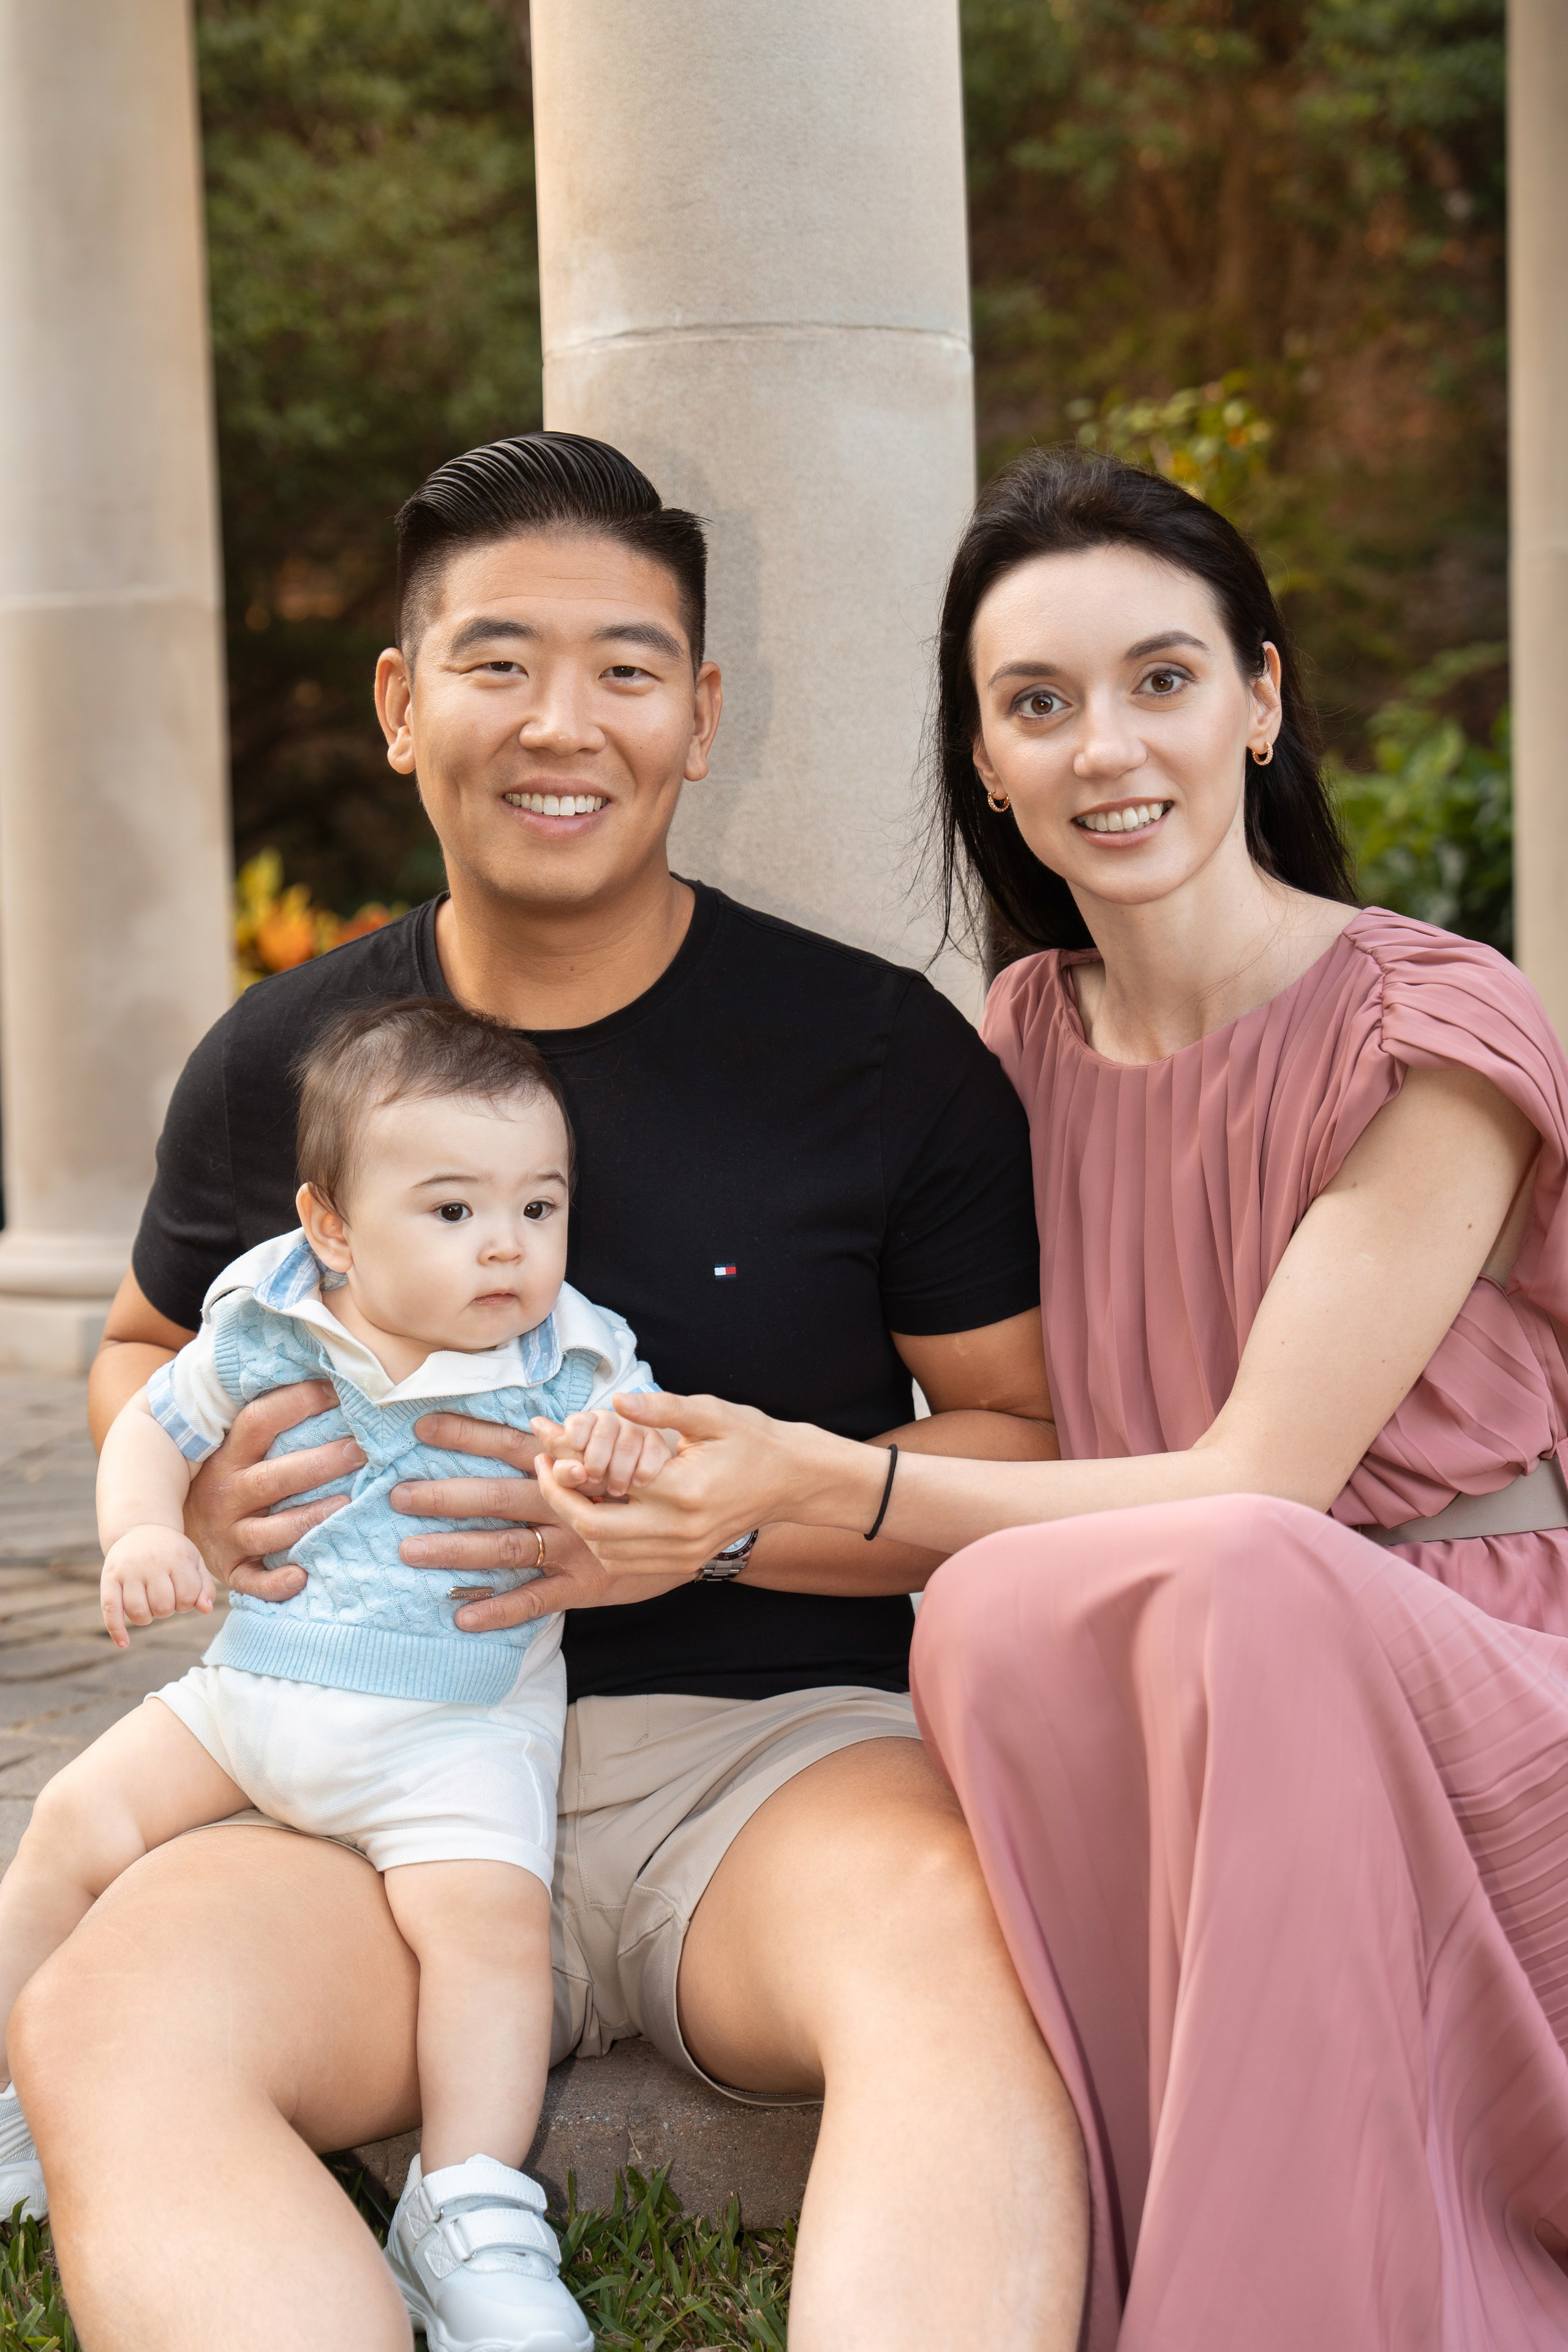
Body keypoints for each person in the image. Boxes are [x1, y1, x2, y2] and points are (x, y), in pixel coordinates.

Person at [12, 432, 1089, 2352]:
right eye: (496, 661)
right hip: (350, 1776)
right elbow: (139, 1355)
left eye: (624, 666)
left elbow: (1023, 1432)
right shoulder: (287, 1060)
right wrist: (177, 1490)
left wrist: (751, 1508)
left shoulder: (872, 1053)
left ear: (700, 714)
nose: (557, 722)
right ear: (403, 706)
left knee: (970, 1960)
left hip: (765, 1768)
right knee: (111, 2012)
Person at [526, 449, 1568, 2350]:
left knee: (1227, 1569)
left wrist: (812, 1485)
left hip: (1466, 1682)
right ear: (986, 763)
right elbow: (1012, 1463)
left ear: (1261, 699)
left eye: (1163, 680)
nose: (1109, 748)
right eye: (1039, 704)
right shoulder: (1014, 1047)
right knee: (1005, 1609)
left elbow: (1259, 1484)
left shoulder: (1437, 1029)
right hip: (1164, 1711)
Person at [0, 996, 680, 2352]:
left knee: (484, 1935)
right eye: (451, 1212)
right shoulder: (271, 1318)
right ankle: (13, 2090)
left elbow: (656, 1463)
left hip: (451, 1729)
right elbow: (154, 1418)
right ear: (331, 1227)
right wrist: (143, 1525)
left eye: (538, 1209)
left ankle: (469, 2205)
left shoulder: (574, 1361)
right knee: (74, 1821)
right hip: (255, 1694)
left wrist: (624, 1463)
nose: (506, 1246)